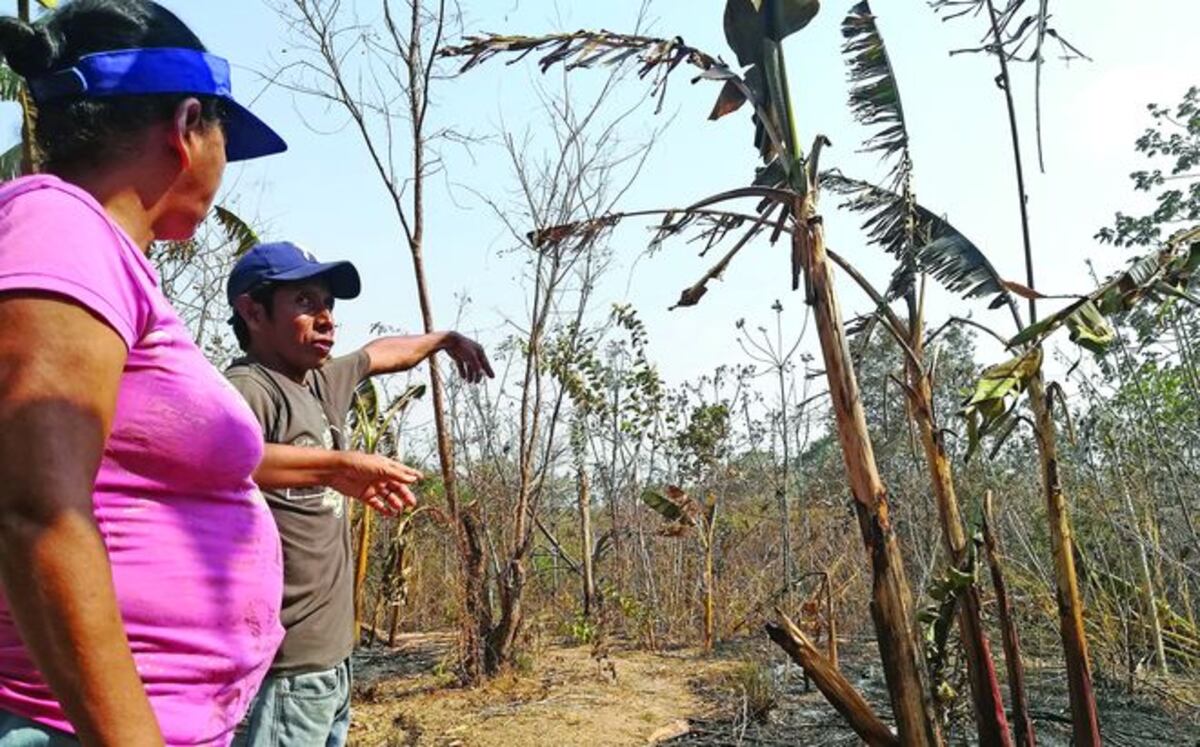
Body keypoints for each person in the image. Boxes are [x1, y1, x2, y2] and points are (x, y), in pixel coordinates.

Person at [0, 1, 296, 745]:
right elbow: (36, 509)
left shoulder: (101, 257)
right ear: (189, 126)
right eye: (228, 138)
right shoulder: (59, 225)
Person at [225, 241, 493, 746]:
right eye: (305, 302)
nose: (326, 318)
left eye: (328, 303)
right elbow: (228, 457)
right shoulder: (248, 388)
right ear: (253, 311)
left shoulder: (319, 382)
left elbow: (381, 354)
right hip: (288, 663)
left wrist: (443, 339)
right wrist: (335, 466)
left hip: (333, 658)